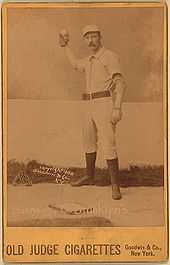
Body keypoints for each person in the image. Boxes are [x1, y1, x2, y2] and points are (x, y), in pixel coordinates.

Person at [59, 25, 126, 200]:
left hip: (104, 102)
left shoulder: (110, 56)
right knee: (88, 140)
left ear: (100, 37)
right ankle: (89, 176)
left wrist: (117, 107)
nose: (91, 40)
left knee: (108, 142)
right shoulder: (88, 59)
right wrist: (65, 46)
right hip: (87, 104)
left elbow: (120, 83)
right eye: (87, 37)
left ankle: (115, 185)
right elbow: (75, 64)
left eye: (94, 36)